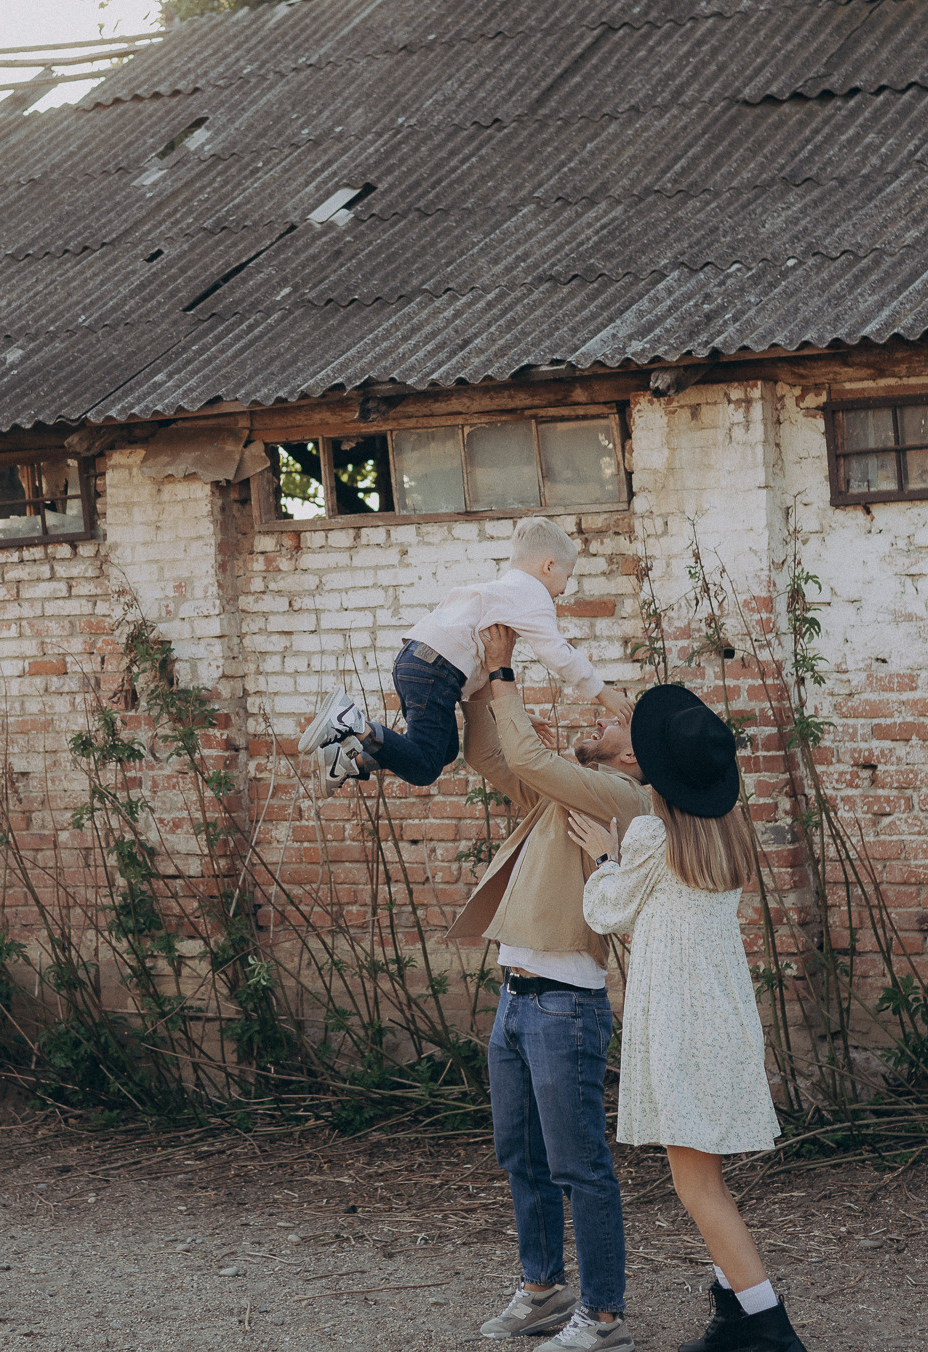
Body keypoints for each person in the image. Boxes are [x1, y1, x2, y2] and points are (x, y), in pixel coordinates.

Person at [571, 683, 807, 1352]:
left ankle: (768, 1326)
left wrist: (603, 856)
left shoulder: (648, 834)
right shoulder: (727, 832)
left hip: (679, 1018)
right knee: (704, 1173)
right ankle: (735, 1311)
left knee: (695, 1181)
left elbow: (608, 912)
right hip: (720, 1012)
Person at [449, 624, 645, 1352]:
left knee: (578, 1166)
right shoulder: (564, 793)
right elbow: (491, 753)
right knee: (521, 1157)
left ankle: (604, 1315)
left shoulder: (620, 795)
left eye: (611, 718)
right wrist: (469, 679)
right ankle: (543, 1289)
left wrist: (505, 664)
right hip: (516, 999)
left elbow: (526, 750)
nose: (598, 717)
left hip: (566, 1005)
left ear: (632, 752)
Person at [297, 516, 633, 790]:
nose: (564, 589)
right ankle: (351, 724)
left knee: (443, 751)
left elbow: (481, 668)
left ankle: (350, 760)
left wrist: (509, 713)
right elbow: (558, 654)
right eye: (567, 577)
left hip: (418, 663)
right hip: (435, 672)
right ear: (548, 566)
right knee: (427, 767)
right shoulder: (533, 595)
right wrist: (601, 692)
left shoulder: (503, 593)